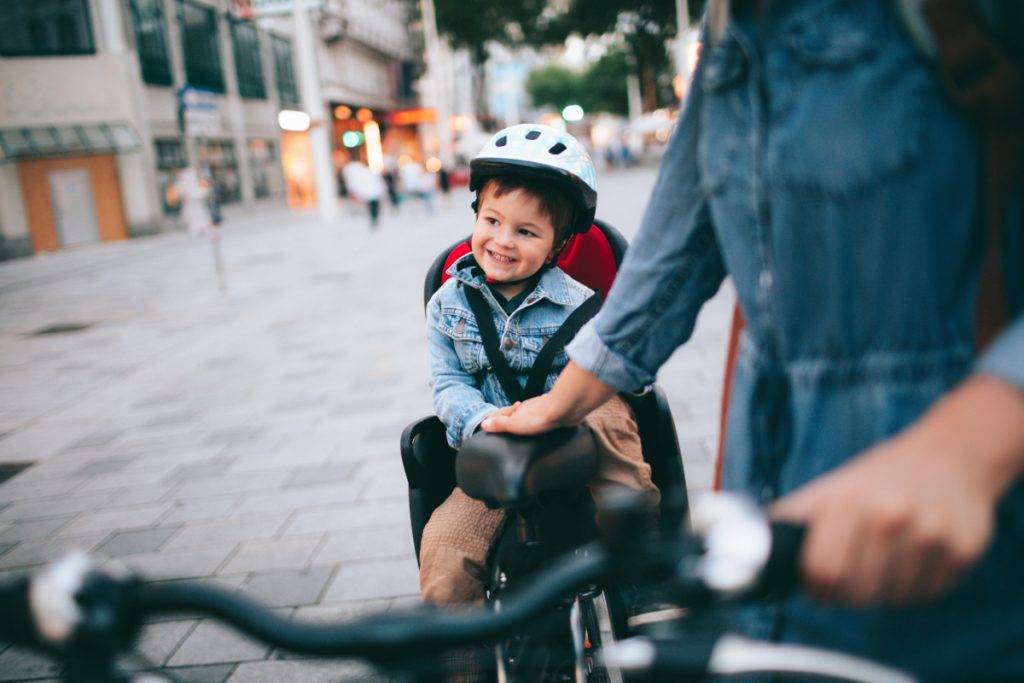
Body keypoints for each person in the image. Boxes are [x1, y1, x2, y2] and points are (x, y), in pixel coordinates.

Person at [482, 1, 1024, 680]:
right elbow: (669, 253)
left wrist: (970, 446)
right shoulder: (729, 26)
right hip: (767, 493)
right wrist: (560, 401)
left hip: (952, 516)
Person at [419, 124, 660, 610]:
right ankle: (463, 663)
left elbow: (634, 374)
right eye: (492, 221)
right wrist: (482, 420)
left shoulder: (587, 307)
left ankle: (643, 569)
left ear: (557, 246)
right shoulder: (449, 305)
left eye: (526, 231)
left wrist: (620, 360)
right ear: (476, 215)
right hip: (496, 454)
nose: (502, 241)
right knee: (443, 560)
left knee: (605, 405)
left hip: (582, 448)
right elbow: (448, 382)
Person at [342, 159, 386, 228]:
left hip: (368, 192)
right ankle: (374, 217)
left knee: (371, 206)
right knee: (374, 205)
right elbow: (379, 181)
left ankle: (373, 217)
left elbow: (356, 184)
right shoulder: (371, 172)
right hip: (373, 192)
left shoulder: (362, 174)